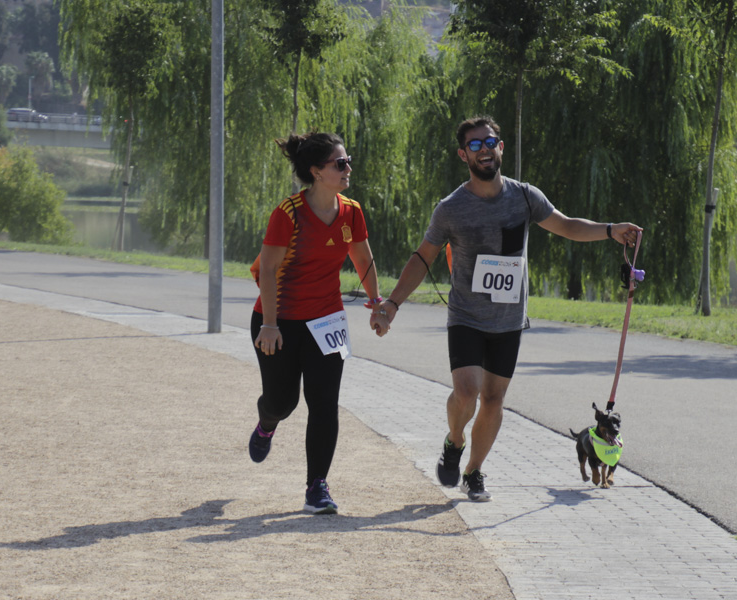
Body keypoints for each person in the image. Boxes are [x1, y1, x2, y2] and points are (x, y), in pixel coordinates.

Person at [371, 116, 641, 502]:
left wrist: (610, 229)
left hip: (508, 320)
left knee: (494, 401)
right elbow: (423, 257)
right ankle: (454, 440)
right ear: (463, 154)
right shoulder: (451, 208)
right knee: (466, 392)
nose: (484, 150)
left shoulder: (524, 196)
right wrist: (392, 304)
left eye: (490, 142)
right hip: (465, 315)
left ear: (501, 147)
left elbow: (566, 226)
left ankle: (474, 471)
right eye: (475, 145)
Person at [249, 131, 382, 515]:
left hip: (326, 321)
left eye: (348, 161)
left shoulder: (351, 211)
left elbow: (363, 259)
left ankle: (316, 487)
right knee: (283, 401)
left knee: (324, 404)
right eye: (339, 163)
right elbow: (269, 270)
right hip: (279, 321)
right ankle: (266, 422)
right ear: (316, 171)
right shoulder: (287, 213)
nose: (347, 169)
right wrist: (270, 325)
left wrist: (376, 304)